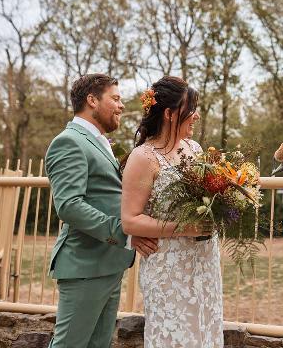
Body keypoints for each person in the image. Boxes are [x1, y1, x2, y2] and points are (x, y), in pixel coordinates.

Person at [45, 73, 158, 348]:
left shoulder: (101, 141)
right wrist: (126, 233)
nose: (121, 106)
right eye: (116, 98)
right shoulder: (69, 141)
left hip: (109, 264)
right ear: (92, 100)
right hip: (85, 266)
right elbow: (70, 206)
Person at [121, 75, 223, 347]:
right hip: (169, 270)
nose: (197, 116)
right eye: (191, 109)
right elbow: (130, 220)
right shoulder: (143, 158)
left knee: (206, 332)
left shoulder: (195, 149)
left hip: (205, 264)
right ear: (169, 113)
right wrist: (184, 228)